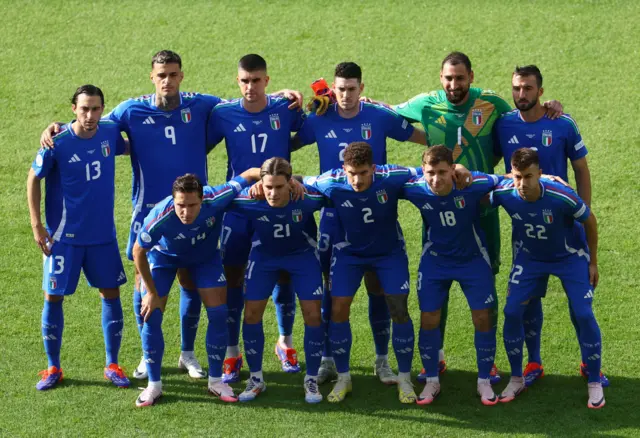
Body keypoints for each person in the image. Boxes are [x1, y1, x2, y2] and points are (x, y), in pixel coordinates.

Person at [39, 50, 303, 381]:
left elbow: (244, 101)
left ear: (181, 75)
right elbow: (93, 124)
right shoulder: (131, 110)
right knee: (143, 284)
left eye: (173, 74)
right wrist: (58, 127)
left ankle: (187, 354)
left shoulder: (202, 104)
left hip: (196, 209)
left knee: (191, 280)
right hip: (148, 212)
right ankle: (145, 357)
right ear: (152, 76)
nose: (167, 80)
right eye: (161, 74)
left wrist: (278, 95)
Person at [392, 52, 559, 383]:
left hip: (482, 207)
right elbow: (384, 114)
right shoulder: (425, 104)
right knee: (436, 283)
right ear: (441, 79)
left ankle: (489, 361)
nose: (454, 85)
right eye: (448, 79)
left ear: (471, 76)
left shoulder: (491, 104)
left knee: (486, 282)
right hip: (439, 209)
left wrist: (550, 105)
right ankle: (436, 355)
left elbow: (519, 118)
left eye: (460, 78)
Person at [292, 61, 427, 385]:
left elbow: (420, 137)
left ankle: (382, 361)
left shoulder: (379, 117)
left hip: (375, 219)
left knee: (378, 288)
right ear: (333, 89)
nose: (346, 95)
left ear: (361, 89)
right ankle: (327, 359)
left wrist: (453, 152)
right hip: (332, 221)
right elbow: (286, 142)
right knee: (330, 292)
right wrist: (294, 108)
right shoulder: (320, 118)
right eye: (340, 89)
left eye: (352, 89)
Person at [494, 65, 606, 387]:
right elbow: (494, 169)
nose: (521, 94)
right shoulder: (503, 125)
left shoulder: (562, 123)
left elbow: (581, 169)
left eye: (528, 88)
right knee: (527, 299)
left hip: (566, 226)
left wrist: (583, 213)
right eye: (516, 88)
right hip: (528, 229)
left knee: (579, 301)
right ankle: (534, 362)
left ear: (540, 92)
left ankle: (589, 363)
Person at [207, 54, 307, 382]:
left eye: (256, 81)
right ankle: (233, 352)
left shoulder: (284, 109)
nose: (250, 87)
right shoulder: (222, 113)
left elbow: (319, 121)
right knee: (233, 277)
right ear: (238, 82)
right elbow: (197, 145)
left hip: (280, 204)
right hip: (239, 209)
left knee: (285, 273)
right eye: (244, 81)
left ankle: (285, 342)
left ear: (267, 80)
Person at [27, 85, 129, 390]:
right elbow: (33, 179)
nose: (90, 115)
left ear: (102, 109)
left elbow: (132, 145)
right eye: (84, 109)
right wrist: (37, 226)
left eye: (96, 108)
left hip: (102, 237)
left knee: (111, 294)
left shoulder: (110, 132)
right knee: (53, 296)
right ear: (73, 108)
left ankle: (112, 363)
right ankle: (52, 367)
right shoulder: (57, 141)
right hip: (63, 239)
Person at [132, 169, 261, 407]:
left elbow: (251, 174)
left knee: (219, 314)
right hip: (164, 258)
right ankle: (154, 385)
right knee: (151, 316)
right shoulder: (161, 214)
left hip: (205, 259)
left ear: (203, 199)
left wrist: (275, 179)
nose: (186, 211)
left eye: (192, 205)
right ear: (174, 200)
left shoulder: (218, 196)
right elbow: (138, 251)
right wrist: (150, 293)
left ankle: (215, 381)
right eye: (181, 205)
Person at [302, 142, 419, 404]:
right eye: (352, 173)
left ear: (374, 169)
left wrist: (458, 169)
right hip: (349, 254)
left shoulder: (392, 176)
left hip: (388, 254)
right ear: (344, 169)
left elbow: (425, 171)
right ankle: (344, 377)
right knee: (338, 309)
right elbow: (300, 179)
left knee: (398, 308)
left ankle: (404, 377)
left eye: (363, 173)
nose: (357, 179)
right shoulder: (331, 181)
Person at [490, 148, 604, 409]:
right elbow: (481, 187)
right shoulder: (506, 192)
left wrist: (593, 261)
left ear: (540, 174)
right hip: (530, 259)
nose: (522, 184)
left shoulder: (560, 194)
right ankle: (517, 377)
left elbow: (590, 221)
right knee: (512, 311)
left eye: (528, 177)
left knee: (584, 313)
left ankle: (594, 380)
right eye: (517, 176)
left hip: (569, 257)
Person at [401, 146, 503, 406]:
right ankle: (432, 380)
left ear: (453, 169)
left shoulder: (472, 183)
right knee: (429, 317)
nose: (436, 179)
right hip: (435, 262)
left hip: (472, 261)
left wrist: (551, 179)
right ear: (423, 172)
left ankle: (484, 380)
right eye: (430, 173)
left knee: (482, 317)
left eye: (443, 172)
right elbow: (381, 178)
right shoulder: (414, 188)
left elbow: (507, 178)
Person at [227, 158, 325, 403]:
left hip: (302, 256)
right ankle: (256, 379)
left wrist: (301, 180)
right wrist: (248, 177)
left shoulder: (307, 198)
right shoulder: (250, 200)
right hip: (264, 257)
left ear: (290, 184)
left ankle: (311, 379)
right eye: (268, 187)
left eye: (279, 187)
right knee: (251, 314)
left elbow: (333, 186)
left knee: (313, 314)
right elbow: (217, 197)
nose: (272, 193)